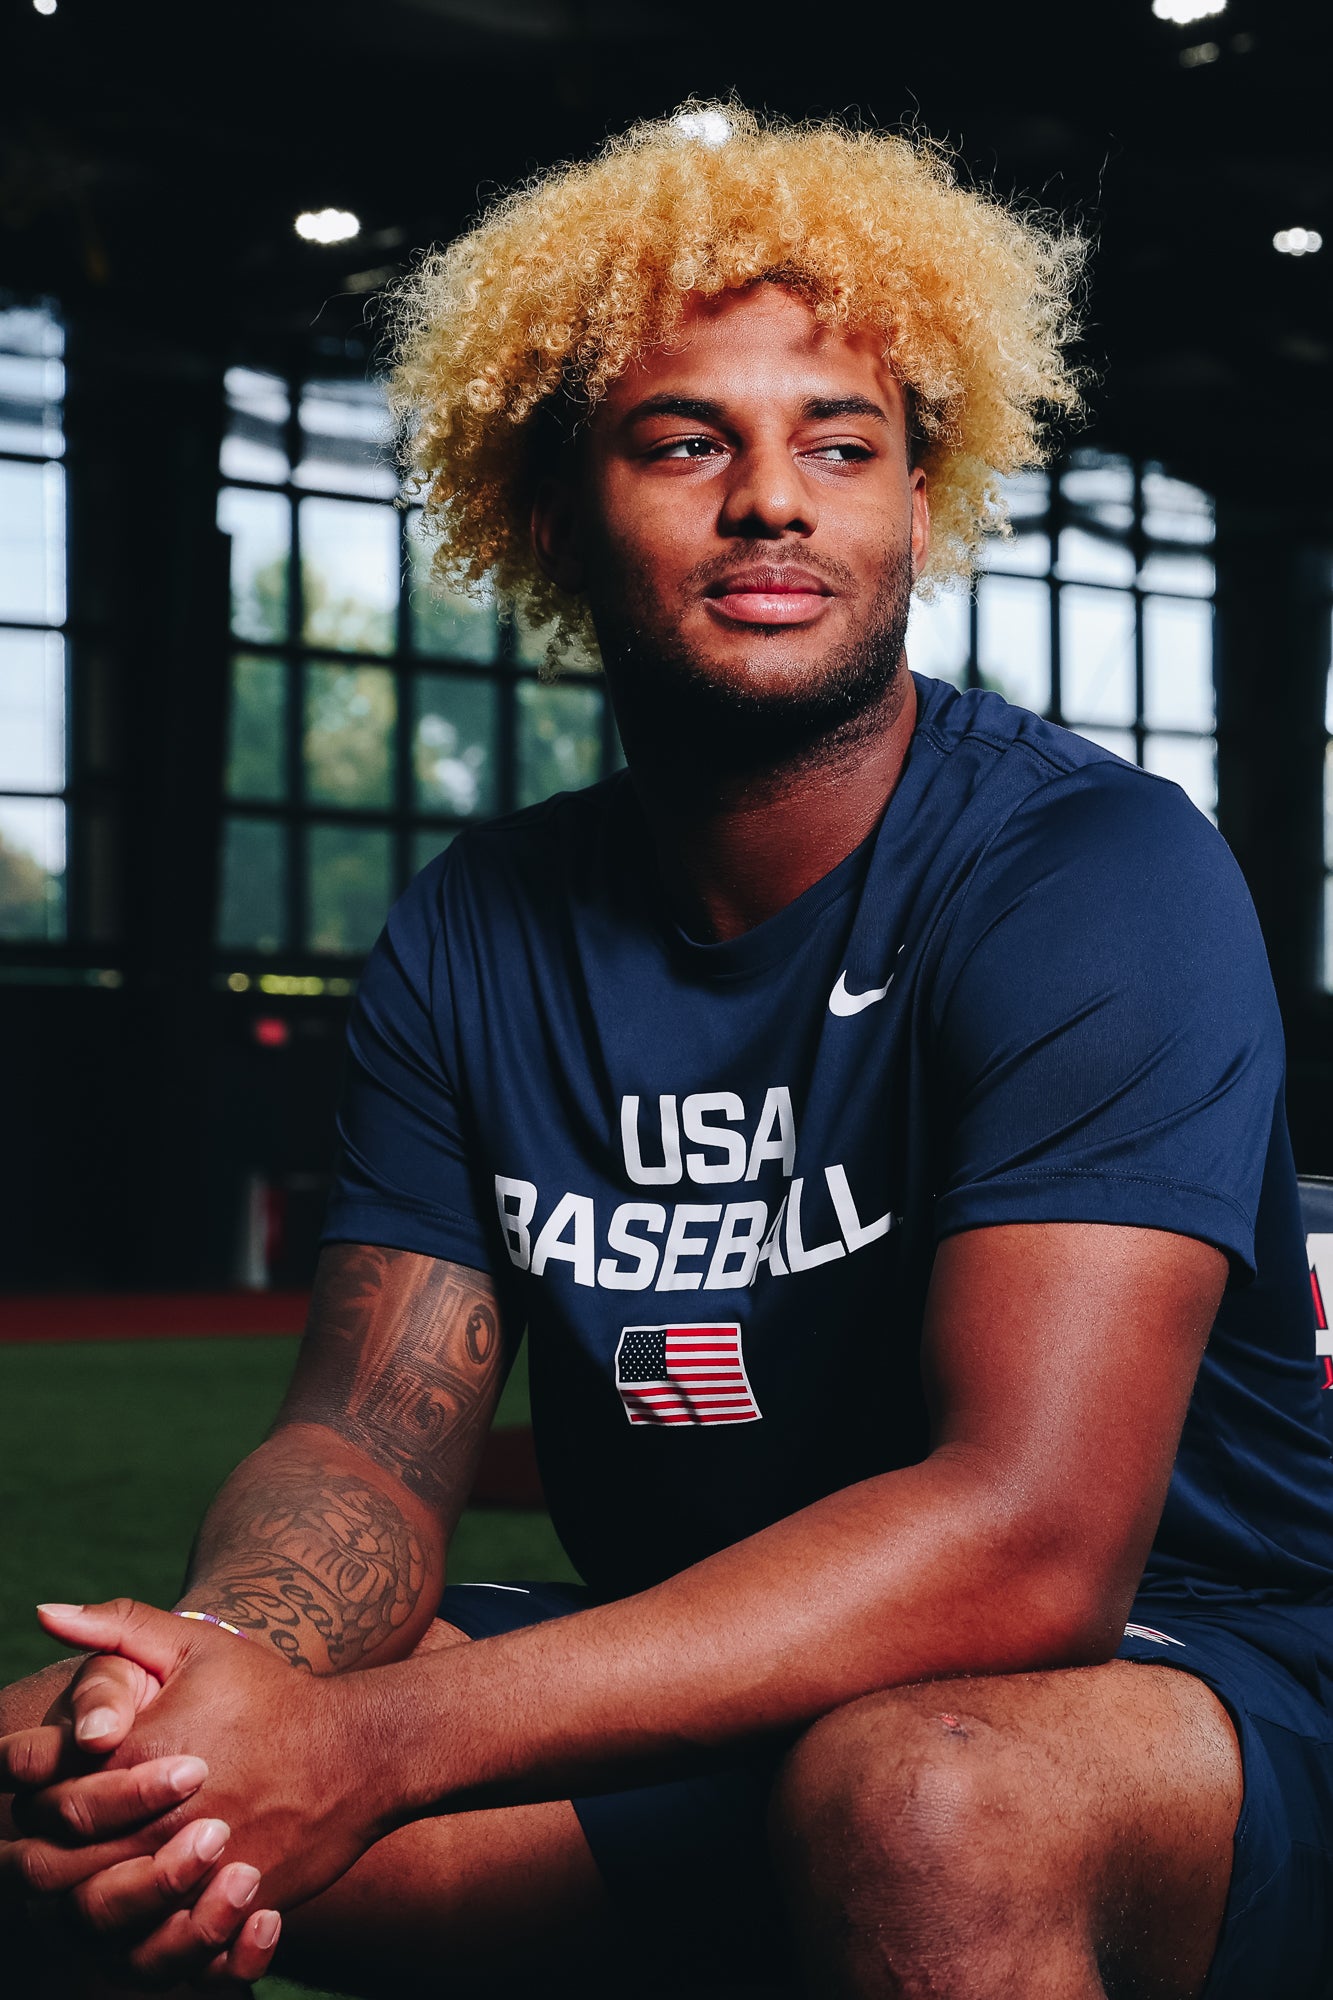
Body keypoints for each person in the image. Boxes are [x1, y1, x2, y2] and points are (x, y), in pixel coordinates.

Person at [4, 102, 1333, 2000]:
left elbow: (1027, 1546)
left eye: (840, 444)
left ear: (915, 499)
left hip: (1174, 1684)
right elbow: (371, 1436)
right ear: (552, 510)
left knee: (920, 1803)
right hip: (695, 1669)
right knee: (79, 1766)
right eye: (686, 439)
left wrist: (370, 1748)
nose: (772, 499)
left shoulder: (1091, 874)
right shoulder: (479, 923)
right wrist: (230, 1667)